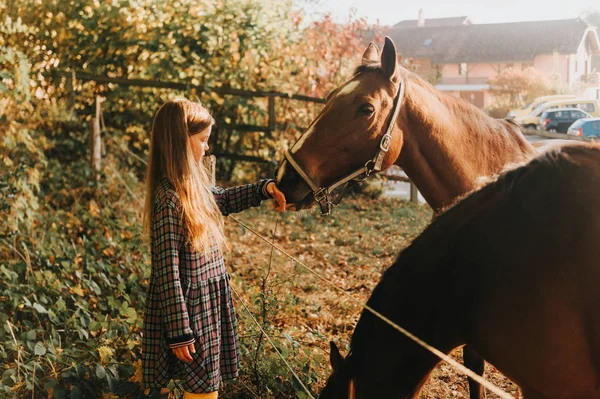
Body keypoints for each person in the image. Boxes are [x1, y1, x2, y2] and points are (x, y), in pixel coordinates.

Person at [141, 98, 286, 398]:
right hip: (190, 312)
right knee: (203, 388)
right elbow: (166, 269)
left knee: (209, 385)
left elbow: (224, 199)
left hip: (208, 302)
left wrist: (263, 189)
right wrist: (180, 330)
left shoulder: (193, 186)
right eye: (203, 140)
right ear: (181, 142)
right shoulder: (168, 198)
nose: (207, 148)